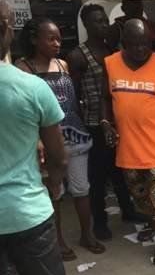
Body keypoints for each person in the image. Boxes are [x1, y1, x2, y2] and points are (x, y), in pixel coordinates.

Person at [0, 0, 83, 275]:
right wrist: (51, 190)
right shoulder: (30, 87)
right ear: (8, 30)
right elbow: (59, 156)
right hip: (27, 214)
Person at [16, 18, 105, 261]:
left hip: (74, 135)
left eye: (58, 38)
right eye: (50, 38)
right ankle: (59, 241)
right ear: (35, 40)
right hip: (45, 139)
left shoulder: (63, 64)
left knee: (81, 188)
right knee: (54, 191)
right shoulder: (24, 68)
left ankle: (87, 234)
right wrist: (36, 140)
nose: (57, 43)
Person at [101, 19, 155, 266]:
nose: (141, 49)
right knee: (138, 193)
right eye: (135, 44)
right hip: (128, 145)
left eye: (146, 44)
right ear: (123, 44)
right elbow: (105, 99)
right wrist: (106, 123)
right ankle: (152, 222)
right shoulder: (111, 64)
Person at [67, 4, 141, 241]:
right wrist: (85, 123)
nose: (103, 25)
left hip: (119, 121)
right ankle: (100, 222)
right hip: (95, 123)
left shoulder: (114, 51)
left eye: (104, 21)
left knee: (121, 171)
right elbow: (74, 94)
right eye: (97, 21)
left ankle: (128, 211)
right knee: (98, 176)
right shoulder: (79, 56)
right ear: (86, 25)